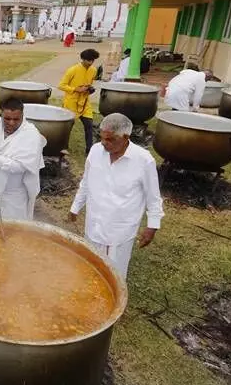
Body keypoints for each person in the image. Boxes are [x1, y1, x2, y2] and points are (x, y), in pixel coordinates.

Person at [68, 113, 164, 279]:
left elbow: (153, 197)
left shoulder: (143, 160)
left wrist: (152, 226)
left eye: (110, 140)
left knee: (114, 275)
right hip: (94, 224)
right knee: (90, 267)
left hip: (119, 231)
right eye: (102, 138)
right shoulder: (96, 151)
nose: (104, 143)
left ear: (125, 137)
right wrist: (75, 207)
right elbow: (86, 182)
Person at [59, 48, 100, 154]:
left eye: (92, 60)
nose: (90, 63)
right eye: (88, 60)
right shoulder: (72, 70)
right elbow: (61, 85)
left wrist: (90, 89)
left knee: (89, 125)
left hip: (85, 102)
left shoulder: (93, 70)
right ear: (83, 59)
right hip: (71, 102)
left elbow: (89, 83)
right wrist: (75, 89)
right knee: (68, 126)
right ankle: (63, 146)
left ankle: (89, 149)